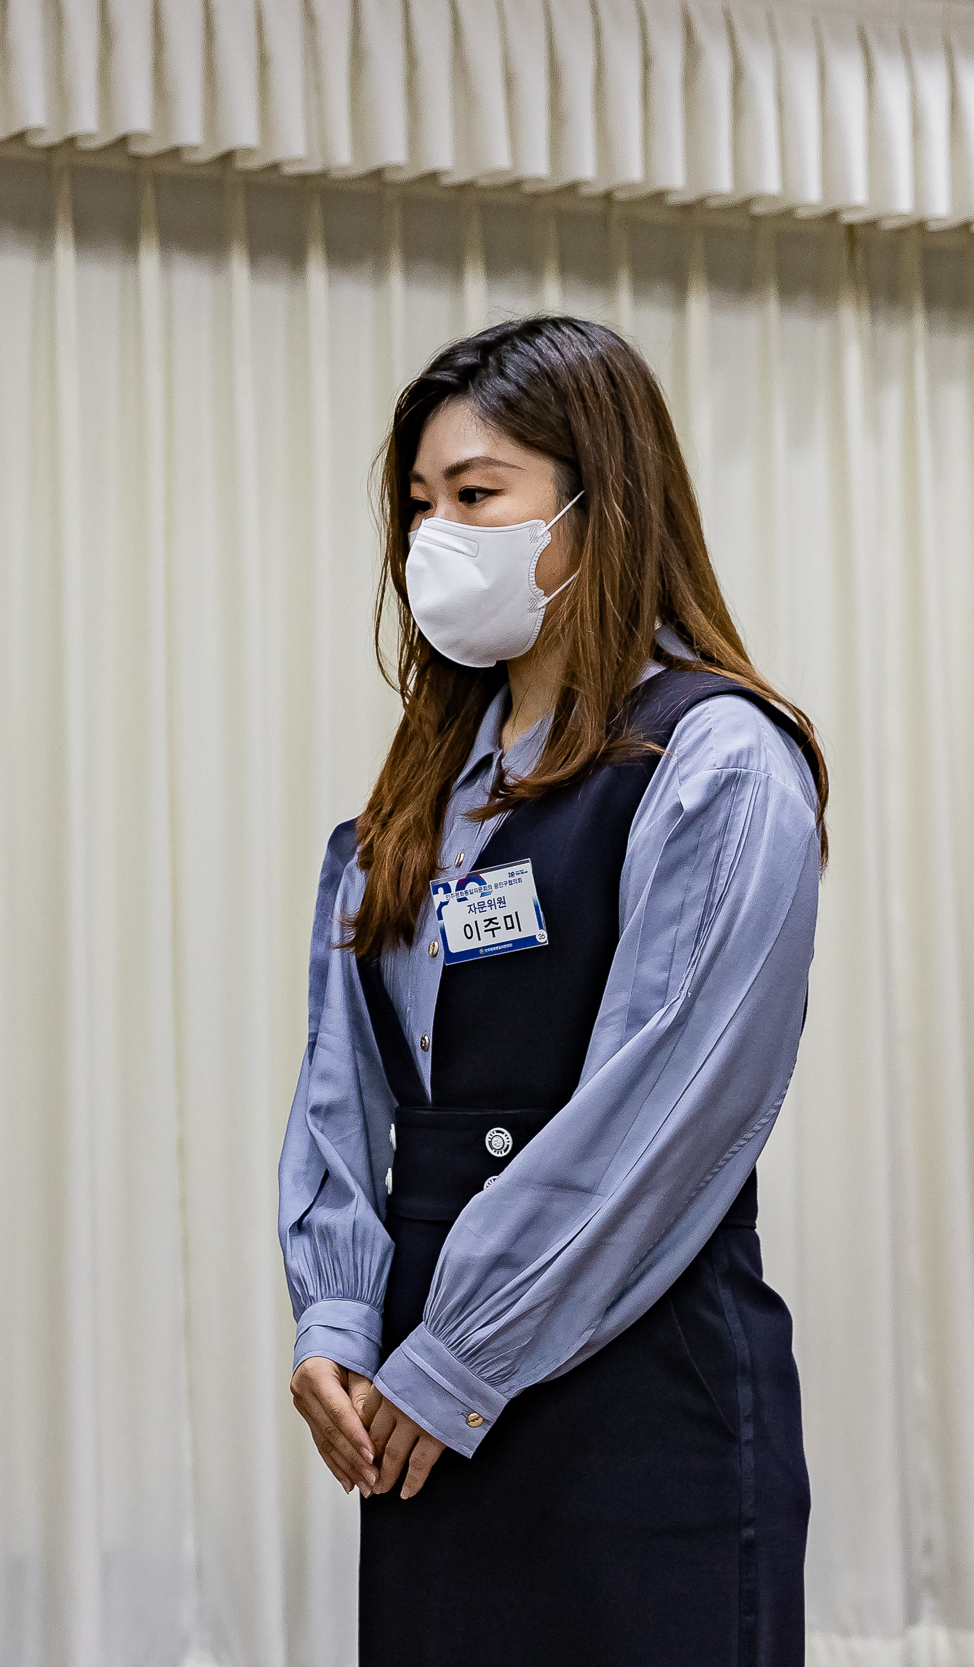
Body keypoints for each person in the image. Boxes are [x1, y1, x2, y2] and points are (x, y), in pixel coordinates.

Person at [276, 316, 825, 1665]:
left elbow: (661, 1116)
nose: (433, 540)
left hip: (634, 1403)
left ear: (598, 506)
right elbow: (343, 1090)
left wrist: (462, 1347)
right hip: (426, 1404)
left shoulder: (716, 760)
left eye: (477, 498)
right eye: (417, 504)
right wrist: (339, 1313)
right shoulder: (417, 792)